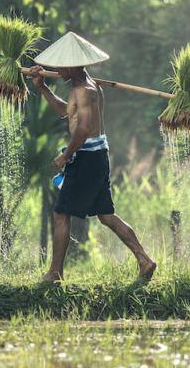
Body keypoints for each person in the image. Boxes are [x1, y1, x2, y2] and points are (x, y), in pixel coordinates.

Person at [29, 32, 156, 282]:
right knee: (106, 215)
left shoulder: (85, 90)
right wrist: (42, 87)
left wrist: (65, 155)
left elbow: (84, 130)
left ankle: (55, 272)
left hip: (87, 157)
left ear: (72, 65)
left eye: (60, 65)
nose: (56, 69)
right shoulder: (87, 87)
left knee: (61, 213)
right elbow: (66, 112)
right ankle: (145, 260)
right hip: (97, 155)